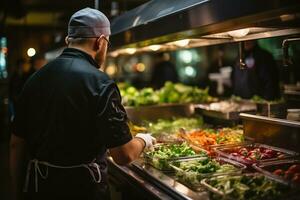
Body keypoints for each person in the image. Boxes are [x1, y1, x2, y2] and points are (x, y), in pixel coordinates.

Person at [9, 8, 155, 200]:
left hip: (40, 188)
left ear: (68, 41)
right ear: (100, 41)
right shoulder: (101, 83)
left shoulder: (34, 80)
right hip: (83, 189)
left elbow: (16, 144)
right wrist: (144, 139)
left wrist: (15, 193)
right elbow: (123, 155)